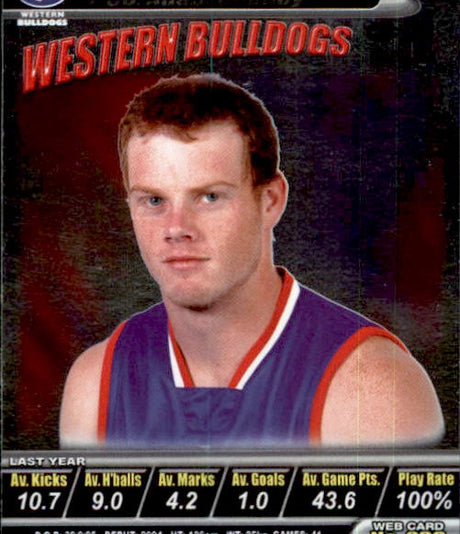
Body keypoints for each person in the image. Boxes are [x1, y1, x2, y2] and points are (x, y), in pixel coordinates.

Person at [59, 73, 444, 449]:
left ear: (270, 201)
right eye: (154, 200)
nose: (177, 228)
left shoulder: (368, 386)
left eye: (210, 197)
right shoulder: (96, 383)